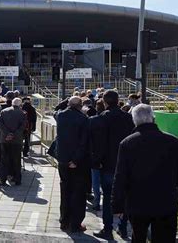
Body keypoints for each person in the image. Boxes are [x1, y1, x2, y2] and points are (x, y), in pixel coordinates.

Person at [112, 104, 178, 242]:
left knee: (138, 237)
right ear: (153, 118)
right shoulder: (171, 141)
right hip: (166, 201)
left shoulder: (127, 143)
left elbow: (120, 176)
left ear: (134, 120)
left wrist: (117, 204)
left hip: (138, 202)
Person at [92, 90, 135, 240]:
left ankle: (108, 228)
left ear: (104, 102)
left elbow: (98, 143)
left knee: (109, 197)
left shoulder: (102, 118)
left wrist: (96, 161)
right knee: (125, 197)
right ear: (118, 101)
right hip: (126, 163)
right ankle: (123, 228)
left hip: (108, 164)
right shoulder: (128, 118)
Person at [55, 96, 89, 233]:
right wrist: (75, 160)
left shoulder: (60, 116)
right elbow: (83, 142)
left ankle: (64, 220)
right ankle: (75, 223)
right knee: (78, 192)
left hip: (62, 159)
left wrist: (67, 101)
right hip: (77, 161)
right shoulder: (83, 119)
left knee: (65, 190)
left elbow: (56, 109)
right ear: (80, 106)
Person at [0, 98, 27, 186]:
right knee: (16, 160)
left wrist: (7, 134)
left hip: (4, 139)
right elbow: (23, 126)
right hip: (16, 140)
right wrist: (13, 134)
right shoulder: (22, 113)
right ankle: (17, 179)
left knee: (4, 160)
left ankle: (3, 180)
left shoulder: (3, 111)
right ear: (20, 104)